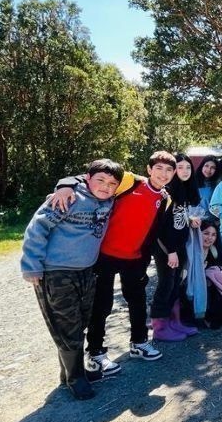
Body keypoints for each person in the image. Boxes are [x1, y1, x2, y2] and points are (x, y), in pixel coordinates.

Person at [49, 151, 175, 373]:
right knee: (101, 305)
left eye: (168, 170)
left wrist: (168, 252)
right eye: (158, 168)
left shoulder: (166, 198)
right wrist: (65, 185)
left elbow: (157, 230)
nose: (163, 174)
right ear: (149, 169)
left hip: (135, 258)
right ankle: (96, 353)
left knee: (137, 302)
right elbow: (90, 177)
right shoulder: (130, 181)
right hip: (104, 255)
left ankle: (139, 343)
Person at [21, 159, 123, 400]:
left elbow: (134, 178)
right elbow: (37, 228)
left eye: (112, 183)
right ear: (87, 179)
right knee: (66, 324)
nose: (106, 186)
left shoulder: (107, 201)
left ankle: (70, 372)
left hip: (86, 271)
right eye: (100, 180)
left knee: (80, 321)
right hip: (56, 272)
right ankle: (75, 377)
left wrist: (68, 181)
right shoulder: (68, 197)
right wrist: (31, 266)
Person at [149, 153, 200, 341]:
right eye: (180, 167)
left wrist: (190, 219)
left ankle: (174, 321)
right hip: (166, 247)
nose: (185, 171)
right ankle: (159, 327)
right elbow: (160, 226)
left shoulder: (184, 190)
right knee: (166, 283)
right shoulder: (167, 192)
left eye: (188, 167)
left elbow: (178, 217)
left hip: (179, 245)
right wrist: (170, 251)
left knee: (176, 283)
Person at [183, 221, 222, 329]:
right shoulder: (189, 251)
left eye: (213, 235)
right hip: (190, 290)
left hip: (211, 287)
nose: (210, 238)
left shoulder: (213, 251)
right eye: (206, 233)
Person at [196, 155, 222, 222]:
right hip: (193, 221)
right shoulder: (192, 182)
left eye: (212, 168)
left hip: (210, 223)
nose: (209, 170)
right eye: (206, 166)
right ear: (202, 166)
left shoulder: (218, 186)